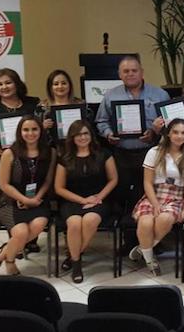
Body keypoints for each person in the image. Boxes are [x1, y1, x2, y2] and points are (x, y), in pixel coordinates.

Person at [94, 56, 169, 221]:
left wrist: (156, 131)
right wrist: (108, 134)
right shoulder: (110, 96)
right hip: (121, 154)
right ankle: (126, 238)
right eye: (126, 71)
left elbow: (171, 125)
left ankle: (148, 237)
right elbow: (101, 120)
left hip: (150, 154)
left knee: (146, 196)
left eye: (134, 70)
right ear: (119, 74)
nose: (130, 74)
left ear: (141, 72)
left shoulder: (160, 94)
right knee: (121, 197)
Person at [54, 120, 118, 283]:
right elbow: (59, 188)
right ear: (72, 137)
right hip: (72, 200)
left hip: (99, 200)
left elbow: (113, 180)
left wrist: (97, 198)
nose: (82, 137)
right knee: (74, 223)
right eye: (78, 134)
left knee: (90, 220)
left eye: (85, 133)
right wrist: (82, 200)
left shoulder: (104, 154)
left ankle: (73, 257)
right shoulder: (65, 158)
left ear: (91, 135)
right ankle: (77, 262)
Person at [129, 118, 184, 277]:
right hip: (154, 194)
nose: (179, 136)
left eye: (183, 133)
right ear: (168, 133)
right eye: (175, 132)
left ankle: (142, 249)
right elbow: (147, 182)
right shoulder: (154, 152)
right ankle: (150, 259)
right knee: (145, 222)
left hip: (176, 196)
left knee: (164, 219)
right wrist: (154, 203)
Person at [0, 116, 55, 276]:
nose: (30, 133)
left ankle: (5, 251)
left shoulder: (50, 152)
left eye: (34, 129)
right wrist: (24, 199)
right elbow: (4, 184)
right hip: (10, 202)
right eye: (26, 130)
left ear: (41, 131)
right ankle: (10, 261)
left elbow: (48, 180)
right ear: (20, 132)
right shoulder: (9, 153)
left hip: (38, 201)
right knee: (20, 233)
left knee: (39, 224)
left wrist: (35, 200)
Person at [35, 69, 88, 147]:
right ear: (50, 87)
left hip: (79, 147)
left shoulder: (81, 104)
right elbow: (33, 132)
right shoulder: (42, 108)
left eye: (64, 83)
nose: (60, 86)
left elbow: (90, 128)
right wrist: (42, 127)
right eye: (56, 84)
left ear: (69, 85)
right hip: (52, 150)